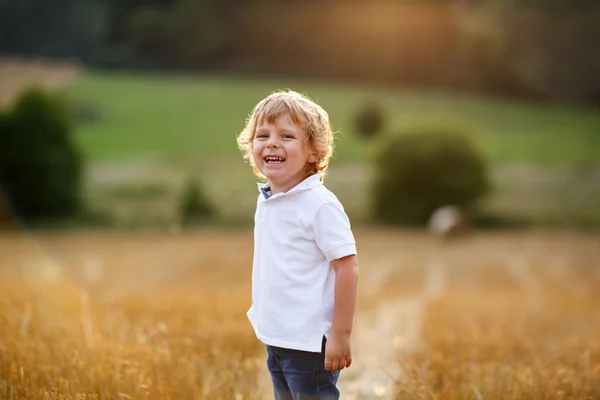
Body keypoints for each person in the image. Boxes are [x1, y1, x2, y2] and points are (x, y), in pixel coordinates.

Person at [237, 90, 359, 399]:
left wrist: (340, 336)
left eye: (287, 136)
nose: (272, 142)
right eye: (262, 135)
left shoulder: (319, 204)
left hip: (309, 343)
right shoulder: (268, 199)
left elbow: (347, 268)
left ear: (313, 152)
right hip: (277, 338)